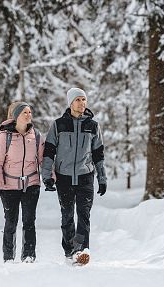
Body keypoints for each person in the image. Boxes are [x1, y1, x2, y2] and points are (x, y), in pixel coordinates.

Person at [41, 87, 107, 265]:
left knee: (84, 215)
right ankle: (69, 250)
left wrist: (102, 178)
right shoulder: (59, 125)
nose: (82, 103)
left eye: (84, 100)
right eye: (78, 100)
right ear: (70, 103)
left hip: (85, 176)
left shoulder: (93, 126)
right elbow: (48, 152)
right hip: (64, 178)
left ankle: (81, 250)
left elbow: (98, 154)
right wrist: (47, 176)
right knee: (67, 215)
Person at [0, 101, 44, 263]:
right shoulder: (4, 137)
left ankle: (29, 255)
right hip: (9, 187)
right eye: (25, 113)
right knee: (11, 222)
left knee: (29, 222)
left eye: (30, 112)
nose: (29, 115)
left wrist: (51, 178)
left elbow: (44, 161)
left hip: (31, 185)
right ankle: (8, 257)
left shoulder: (36, 136)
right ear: (16, 116)